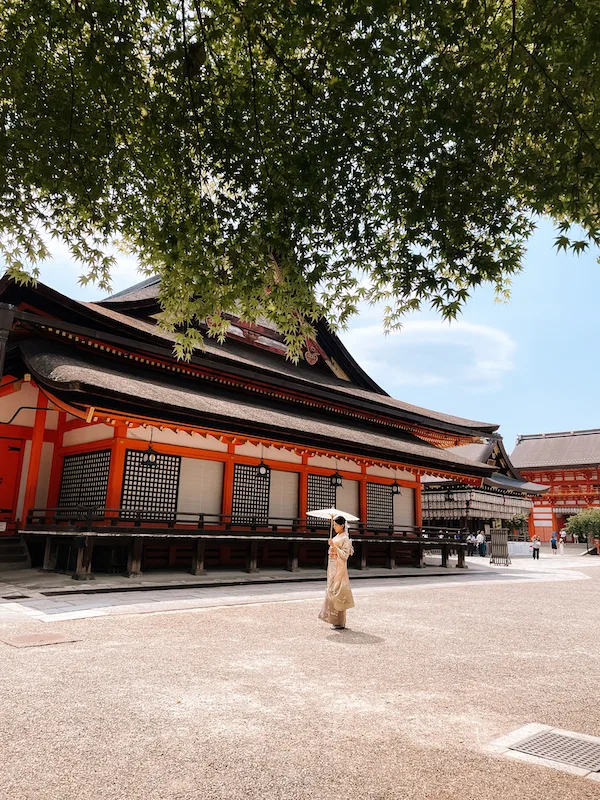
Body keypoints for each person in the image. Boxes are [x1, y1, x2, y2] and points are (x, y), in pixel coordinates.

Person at [318, 516, 355, 630]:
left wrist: (334, 546)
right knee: (331, 590)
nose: (334, 527)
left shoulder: (345, 538)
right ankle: (333, 619)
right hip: (332, 566)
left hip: (339, 568)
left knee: (337, 591)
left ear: (342, 525)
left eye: (336, 525)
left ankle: (340, 621)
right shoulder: (337, 536)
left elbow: (345, 555)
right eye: (333, 525)